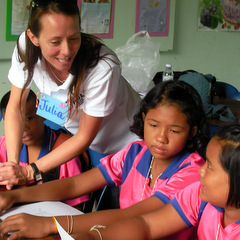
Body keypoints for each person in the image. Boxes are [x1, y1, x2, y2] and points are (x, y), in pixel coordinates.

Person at [0, 80, 210, 240]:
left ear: (192, 131)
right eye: (154, 125)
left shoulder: (193, 172)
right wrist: (16, 196)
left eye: (174, 130)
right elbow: (75, 184)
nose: (161, 137)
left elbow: (132, 216)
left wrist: (50, 225)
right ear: (144, 119)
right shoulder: (135, 153)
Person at [0, 0, 141, 189]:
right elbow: (16, 106)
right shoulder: (26, 47)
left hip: (131, 144)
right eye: (55, 42)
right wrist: (13, 165)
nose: (66, 51)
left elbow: (84, 137)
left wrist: (27, 172)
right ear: (34, 38)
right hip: (92, 144)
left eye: (74, 38)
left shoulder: (102, 67)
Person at [74, 124, 240, 240]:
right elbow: (147, 225)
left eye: (210, 166)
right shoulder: (199, 194)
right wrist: (96, 236)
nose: (200, 170)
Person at [0, 89, 89, 207]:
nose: (24, 128)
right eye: (15, 122)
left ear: (42, 114)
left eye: (28, 118)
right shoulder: (2, 147)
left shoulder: (66, 150)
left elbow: (76, 207)